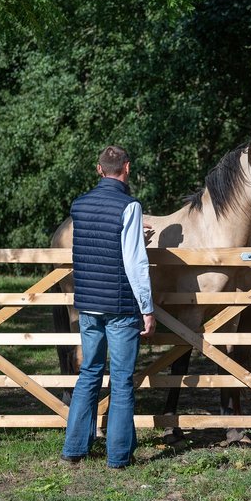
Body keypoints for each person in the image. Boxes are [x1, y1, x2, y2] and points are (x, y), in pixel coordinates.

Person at [60, 145, 156, 469]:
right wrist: (147, 307)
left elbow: (94, 244)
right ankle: (118, 457)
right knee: (121, 379)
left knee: (89, 373)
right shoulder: (130, 206)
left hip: (87, 303)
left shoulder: (79, 205)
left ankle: (74, 449)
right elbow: (135, 262)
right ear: (126, 168)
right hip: (119, 306)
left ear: (99, 169)